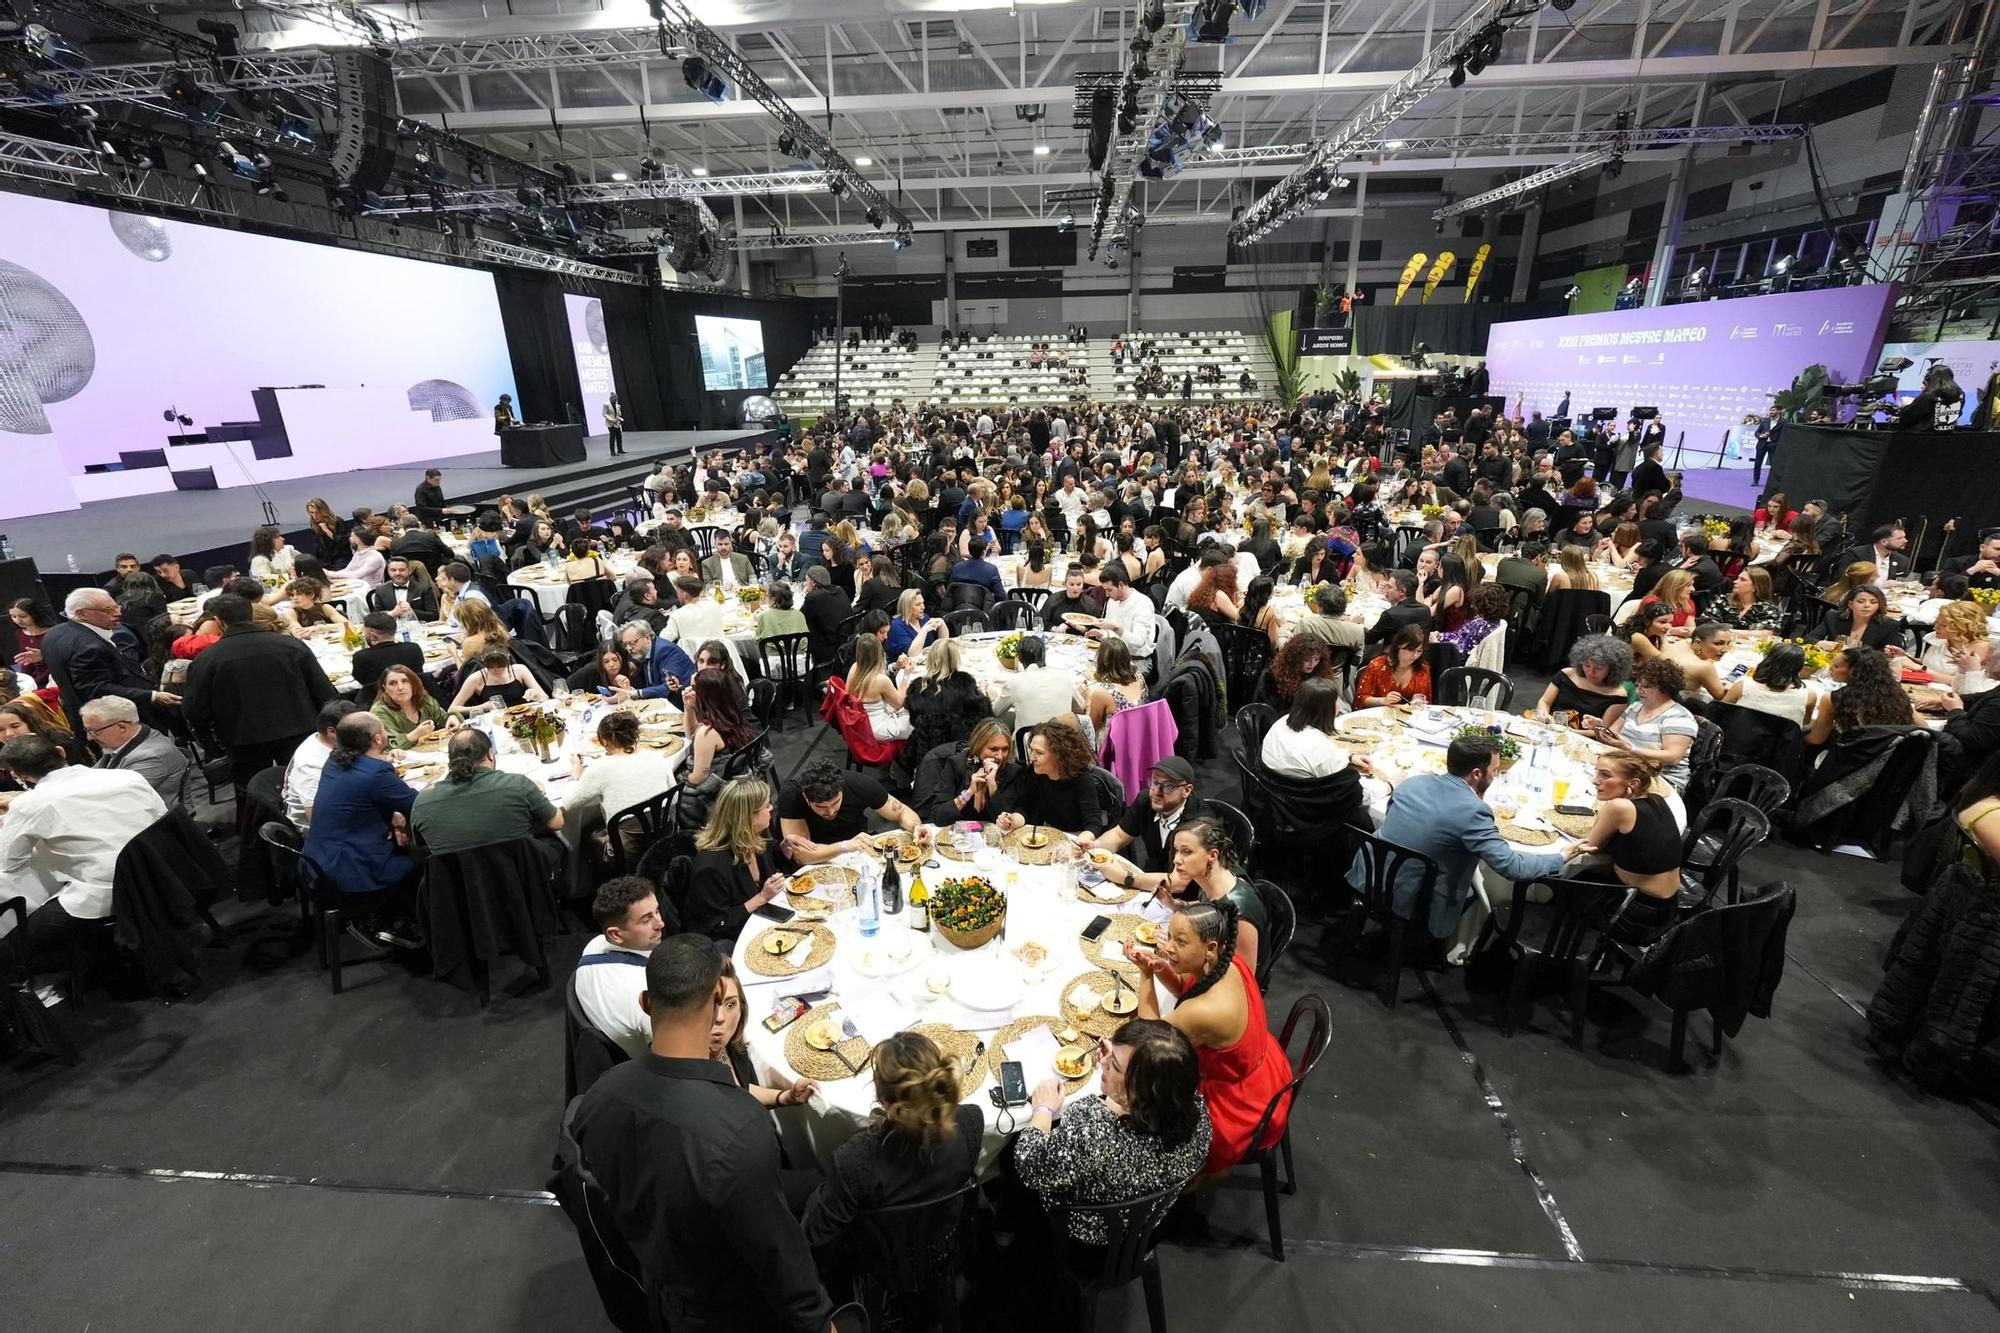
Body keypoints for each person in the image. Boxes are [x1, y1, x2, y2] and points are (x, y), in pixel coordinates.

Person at [565, 933, 833, 1333]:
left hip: (660, 1289)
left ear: (646, 1003)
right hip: (733, 1310)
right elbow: (778, 1257)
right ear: (716, 1003)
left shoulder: (598, 1097)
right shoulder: (738, 1129)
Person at [1360, 735, 1596, 938]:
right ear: (1476, 774)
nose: (1496, 775)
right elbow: (1512, 867)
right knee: (1479, 889)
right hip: (1412, 901)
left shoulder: (1413, 782)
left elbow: (1393, 817)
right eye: (1495, 770)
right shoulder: (1474, 812)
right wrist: (1562, 856)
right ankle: (1458, 945)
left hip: (1367, 876)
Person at [1119, 899, 1288, 1177]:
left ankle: (1182, 1182)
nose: (1168, 948)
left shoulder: (1204, 1012)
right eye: (1169, 936)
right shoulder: (1229, 961)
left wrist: (1146, 975)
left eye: (1180, 941)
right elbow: (1186, 987)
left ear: (1209, 948)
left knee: (1145, 1099)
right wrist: (1161, 967)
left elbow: (1148, 1040)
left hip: (1235, 1103)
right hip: (1264, 1065)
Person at [1013, 1017, 1212, 1246]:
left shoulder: (1092, 1129)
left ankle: (1006, 1230)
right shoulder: (1198, 1114)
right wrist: (1119, 1064)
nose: (1104, 1062)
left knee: (1010, 1158)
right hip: (1149, 1222)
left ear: (1142, 1091)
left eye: (1115, 1065)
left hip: (1090, 1235)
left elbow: (1029, 1164)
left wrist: (1044, 1108)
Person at [800, 1030, 984, 1254]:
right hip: (944, 1242)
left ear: (884, 1101)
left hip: (880, 1259)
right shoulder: (971, 1121)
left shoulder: (855, 1161)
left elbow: (816, 1239)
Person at [0, 737, 166, 978]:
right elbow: (162, 818)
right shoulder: (126, 776)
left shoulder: (29, 805)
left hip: (109, 891)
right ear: (61, 752)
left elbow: (9, 863)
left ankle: (94, 967)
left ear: (18, 774)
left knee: (9, 947)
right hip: (164, 871)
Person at [184, 593, 338, 790]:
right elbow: (324, 692)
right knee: (307, 786)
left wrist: (212, 745)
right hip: (298, 729)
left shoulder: (207, 659)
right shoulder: (291, 645)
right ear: (251, 614)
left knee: (254, 793)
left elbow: (194, 709)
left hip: (243, 739)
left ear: (219, 621)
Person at [302, 713, 422, 949]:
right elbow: (418, 806)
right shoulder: (376, 773)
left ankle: (392, 914)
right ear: (378, 738)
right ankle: (393, 920)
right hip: (353, 870)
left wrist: (391, 817)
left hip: (319, 862)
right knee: (430, 858)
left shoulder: (334, 761)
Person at [1094, 817, 1267, 976]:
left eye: (1186, 852)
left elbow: (1243, 976)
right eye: (1177, 850)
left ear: (1213, 855)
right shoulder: (1213, 878)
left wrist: (1181, 951)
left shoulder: (1241, 911)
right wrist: (1177, 905)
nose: (1176, 859)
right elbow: (1209, 907)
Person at [1572, 752, 1682, 943]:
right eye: (1596, 773)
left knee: (1561, 887)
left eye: (1605, 775)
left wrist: (1605, 811)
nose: (1595, 781)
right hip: (1666, 911)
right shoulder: (1657, 799)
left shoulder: (1619, 807)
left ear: (1633, 783)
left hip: (1631, 916)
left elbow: (1590, 846)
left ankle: (1564, 950)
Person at [42, 588, 178, 740]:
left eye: (116, 607)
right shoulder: (88, 647)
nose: (118, 613)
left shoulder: (54, 633)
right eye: (108, 610)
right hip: (119, 721)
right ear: (82, 614)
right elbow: (97, 689)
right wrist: (152, 696)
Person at [410, 727, 562, 854]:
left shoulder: (422, 802)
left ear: (449, 760)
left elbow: (422, 844)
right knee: (555, 840)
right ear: (490, 754)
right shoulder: (517, 785)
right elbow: (557, 823)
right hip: (524, 874)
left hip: (460, 879)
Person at [565, 710, 678, 860]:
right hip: (665, 838)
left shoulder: (599, 768)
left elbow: (568, 804)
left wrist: (575, 771)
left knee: (586, 832)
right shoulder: (656, 757)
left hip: (628, 852)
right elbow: (674, 798)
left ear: (604, 741)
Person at [686, 778, 790, 941]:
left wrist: (786, 849)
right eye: (766, 806)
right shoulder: (711, 867)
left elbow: (776, 867)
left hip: (764, 921)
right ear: (749, 817)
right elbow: (717, 924)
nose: (771, 808)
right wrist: (761, 898)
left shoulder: (757, 834)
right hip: (731, 938)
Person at [779, 759, 922, 865]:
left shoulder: (859, 784)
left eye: (835, 803)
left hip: (856, 853)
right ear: (806, 798)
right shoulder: (792, 795)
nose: (830, 811)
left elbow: (901, 812)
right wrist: (844, 846)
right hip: (818, 859)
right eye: (821, 807)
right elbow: (802, 856)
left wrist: (917, 827)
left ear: (842, 790)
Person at [1600, 657, 1700, 790]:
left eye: (1646, 686)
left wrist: (1631, 749)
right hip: (1627, 768)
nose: (1638, 691)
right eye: (1638, 685)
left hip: (1662, 778)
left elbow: (1673, 756)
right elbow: (1612, 736)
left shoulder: (1679, 717)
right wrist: (1598, 727)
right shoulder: (1635, 707)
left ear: (1665, 688)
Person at [994, 720, 1102, 835]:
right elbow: (1025, 807)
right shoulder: (1035, 772)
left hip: (1076, 835)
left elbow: (1093, 824)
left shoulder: (1082, 779)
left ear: (1059, 754)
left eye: (1039, 752)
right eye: (1031, 750)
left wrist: (1084, 838)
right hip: (1048, 832)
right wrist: (1013, 821)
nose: (1032, 757)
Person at [82, 695, 190, 808]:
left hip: (155, 817)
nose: (89, 737)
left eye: (93, 731)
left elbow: (114, 797)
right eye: (87, 730)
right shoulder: (125, 740)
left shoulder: (151, 757)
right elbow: (91, 775)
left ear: (122, 727)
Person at [1805, 645, 1916, 746]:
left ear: (1854, 671)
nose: (1830, 669)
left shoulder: (1832, 699)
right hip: (1893, 754)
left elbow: (1816, 739)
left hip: (1856, 755)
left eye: (1836, 666)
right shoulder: (1897, 694)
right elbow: (1921, 726)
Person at [904, 637, 992, 763]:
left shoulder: (918, 687)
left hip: (926, 750)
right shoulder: (964, 683)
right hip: (960, 749)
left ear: (931, 658)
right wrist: (984, 692)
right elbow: (983, 715)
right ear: (956, 658)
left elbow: (914, 720)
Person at [1260, 677, 1361, 780]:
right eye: (1335, 701)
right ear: (1326, 709)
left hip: (1269, 783)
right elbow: (1343, 780)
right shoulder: (1319, 746)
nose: (1339, 706)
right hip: (1301, 788)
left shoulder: (1281, 722)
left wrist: (1349, 757)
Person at [1723, 641, 1817, 727]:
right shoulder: (1809, 696)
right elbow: (1804, 723)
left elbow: (1720, 712)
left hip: (1739, 737)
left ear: (1767, 661)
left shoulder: (1742, 687)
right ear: (1800, 668)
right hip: (1782, 740)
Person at [846, 633, 911, 741]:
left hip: (859, 724)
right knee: (917, 717)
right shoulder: (880, 680)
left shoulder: (854, 667)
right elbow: (899, 703)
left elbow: (847, 694)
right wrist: (907, 674)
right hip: (877, 729)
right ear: (879, 653)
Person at [350, 612, 426, 701]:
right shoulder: (413, 649)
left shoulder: (361, 657)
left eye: (365, 633)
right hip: (415, 698)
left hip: (379, 702)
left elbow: (360, 681)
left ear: (372, 635)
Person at [449, 645, 548, 714]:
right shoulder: (476, 678)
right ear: (483, 660)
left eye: (501, 668)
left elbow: (544, 697)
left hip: (523, 714)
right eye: (491, 669)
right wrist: (481, 707)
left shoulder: (520, 670)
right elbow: (452, 709)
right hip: (495, 720)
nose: (496, 671)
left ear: (508, 658)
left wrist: (535, 694)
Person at [1091, 562, 1158, 663]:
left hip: (1135, 659)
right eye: (1105, 590)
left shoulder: (1142, 604)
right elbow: (1112, 635)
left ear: (1121, 585)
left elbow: (1139, 642)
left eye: (1109, 590)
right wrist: (1102, 634)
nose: (1107, 594)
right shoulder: (1112, 601)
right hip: (1114, 654)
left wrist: (1116, 628)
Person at [1354, 624, 1432, 709]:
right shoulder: (1378, 665)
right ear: (1399, 645)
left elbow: (1425, 702)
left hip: (1410, 715)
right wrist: (1383, 701)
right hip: (1378, 714)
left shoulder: (1422, 669)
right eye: (1410, 650)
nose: (1415, 655)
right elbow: (1361, 699)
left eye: (1419, 651)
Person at [616, 620, 697, 702]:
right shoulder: (642, 652)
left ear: (647, 638)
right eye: (625, 644)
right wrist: (629, 687)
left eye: (632, 643)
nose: (629, 648)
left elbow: (668, 688)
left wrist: (638, 693)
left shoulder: (665, 650)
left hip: (681, 701)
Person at [1810, 584, 1907, 652]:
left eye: (1873, 602)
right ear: (1850, 604)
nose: (1867, 605)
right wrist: (1821, 643)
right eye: (1861, 601)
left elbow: (1885, 657)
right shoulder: (1833, 617)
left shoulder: (1889, 625)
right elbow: (1809, 639)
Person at [369, 664, 447, 748]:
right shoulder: (380, 711)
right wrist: (415, 734)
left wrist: (452, 718)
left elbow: (444, 720)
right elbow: (388, 746)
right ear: (384, 688)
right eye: (393, 683)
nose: (400, 687)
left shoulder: (424, 700)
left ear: (413, 684)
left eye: (405, 681)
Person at [1363, 569, 1432, 647]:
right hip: (1419, 653)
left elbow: (1369, 639)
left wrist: (1358, 625)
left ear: (1402, 592)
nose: (1386, 590)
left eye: (1389, 587)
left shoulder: (1390, 615)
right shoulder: (1426, 610)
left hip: (1393, 653)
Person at [1706, 567, 1783, 632]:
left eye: (1742, 580)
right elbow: (1708, 625)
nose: (1735, 581)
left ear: (1755, 587)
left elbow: (1766, 634)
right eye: (1737, 578)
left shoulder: (1767, 608)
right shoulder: (1723, 600)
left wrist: (1728, 632)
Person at [886, 588, 947, 664]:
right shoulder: (896, 626)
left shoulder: (924, 618)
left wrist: (942, 624)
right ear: (907, 607)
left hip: (927, 663)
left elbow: (944, 642)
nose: (923, 607)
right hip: (906, 667)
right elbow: (912, 654)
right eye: (918, 604)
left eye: (923, 603)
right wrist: (924, 629)